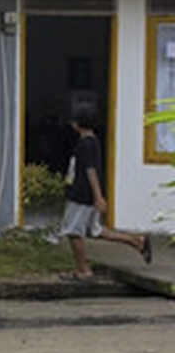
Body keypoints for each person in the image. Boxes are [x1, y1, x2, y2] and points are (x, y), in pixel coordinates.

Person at [58, 113, 151, 281]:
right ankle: (137, 241)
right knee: (95, 230)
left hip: (81, 195)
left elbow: (90, 170)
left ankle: (83, 270)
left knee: (72, 231)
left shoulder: (85, 145)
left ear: (77, 124)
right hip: (86, 194)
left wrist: (98, 196)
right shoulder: (93, 142)